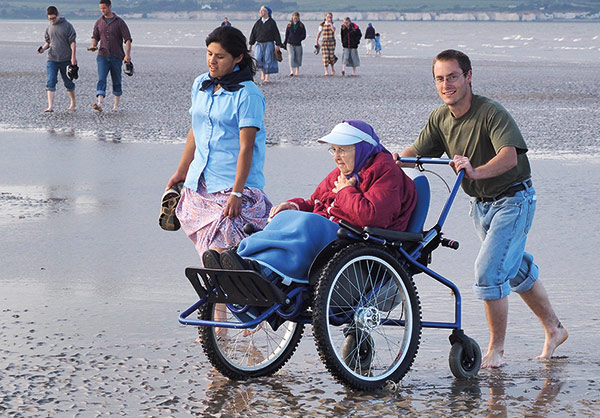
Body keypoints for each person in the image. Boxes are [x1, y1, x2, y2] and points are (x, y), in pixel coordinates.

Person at [397, 49, 568, 368]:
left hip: (514, 200)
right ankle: (554, 329)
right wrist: (388, 163)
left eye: (452, 77)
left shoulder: (491, 112)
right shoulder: (439, 118)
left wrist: (475, 170)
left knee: (489, 272)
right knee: (512, 267)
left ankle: (496, 351)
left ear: (468, 77)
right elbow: (414, 152)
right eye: (439, 79)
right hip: (480, 207)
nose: (446, 84)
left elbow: (509, 156)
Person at [209, 120, 417, 287]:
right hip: (337, 233)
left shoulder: (386, 172)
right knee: (286, 217)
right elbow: (315, 201)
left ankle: (250, 262)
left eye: (342, 150)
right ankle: (241, 259)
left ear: (362, 149)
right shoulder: (344, 171)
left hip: (361, 241)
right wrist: (294, 206)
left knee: (308, 224)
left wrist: (345, 191)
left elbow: (372, 217)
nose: (336, 157)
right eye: (333, 150)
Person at [165, 25, 271, 262]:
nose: (212, 61)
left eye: (220, 56)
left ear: (238, 58)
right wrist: (181, 171)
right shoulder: (200, 84)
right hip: (200, 182)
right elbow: (196, 129)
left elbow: (247, 147)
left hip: (232, 185)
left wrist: (237, 192)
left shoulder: (248, 94)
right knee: (210, 255)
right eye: (209, 53)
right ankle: (218, 298)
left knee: (225, 253)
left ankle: (222, 298)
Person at [88, 0, 132, 112]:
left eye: (104, 8)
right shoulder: (99, 22)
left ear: (110, 7)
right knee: (101, 78)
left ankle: (116, 106)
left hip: (117, 56)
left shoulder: (119, 22)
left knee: (116, 80)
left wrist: (127, 55)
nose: (102, 10)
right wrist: (93, 45)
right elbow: (95, 37)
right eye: (101, 8)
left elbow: (127, 39)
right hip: (102, 55)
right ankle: (99, 103)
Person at [38, 6, 77, 112]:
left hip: (65, 59)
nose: (52, 20)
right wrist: (42, 49)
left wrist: (73, 57)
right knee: (51, 81)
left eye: (53, 18)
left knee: (68, 82)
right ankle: (50, 106)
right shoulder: (49, 27)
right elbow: (48, 42)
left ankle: (73, 103)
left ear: (58, 14)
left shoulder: (67, 26)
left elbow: (72, 42)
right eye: (50, 18)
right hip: (52, 58)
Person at [248, 5, 282, 84]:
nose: (261, 12)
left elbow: (276, 33)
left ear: (267, 12)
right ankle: (263, 72)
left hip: (269, 43)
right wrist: (250, 44)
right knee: (258, 59)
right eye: (260, 10)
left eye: (263, 10)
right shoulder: (258, 22)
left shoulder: (272, 22)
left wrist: (278, 45)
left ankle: (266, 77)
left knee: (267, 59)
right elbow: (253, 33)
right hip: (259, 43)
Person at [282, 11, 306, 77]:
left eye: (296, 18)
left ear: (298, 18)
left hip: (298, 43)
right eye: (294, 18)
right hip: (290, 43)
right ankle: (291, 70)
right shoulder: (289, 25)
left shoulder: (301, 25)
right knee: (291, 56)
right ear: (292, 18)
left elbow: (304, 35)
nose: (295, 19)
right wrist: (284, 43)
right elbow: (286, 35)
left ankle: (297, 70)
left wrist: (299, 38)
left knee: (298, 57)